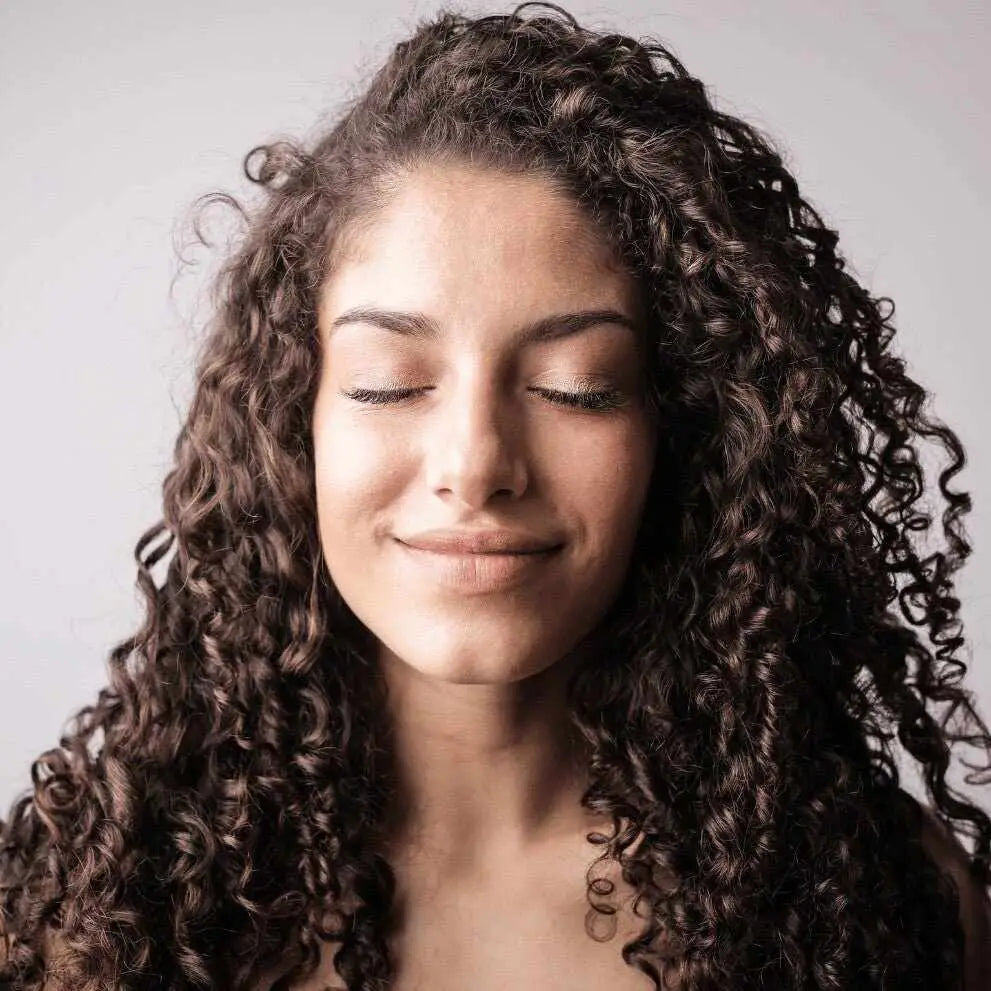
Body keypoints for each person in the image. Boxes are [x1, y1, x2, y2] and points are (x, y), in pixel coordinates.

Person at [1, 2, 989, 988]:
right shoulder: (102, 907)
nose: (474, 463)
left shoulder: (863, 907)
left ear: (680, 431)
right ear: (287, 427)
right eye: (389, 380)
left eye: (576, 386)